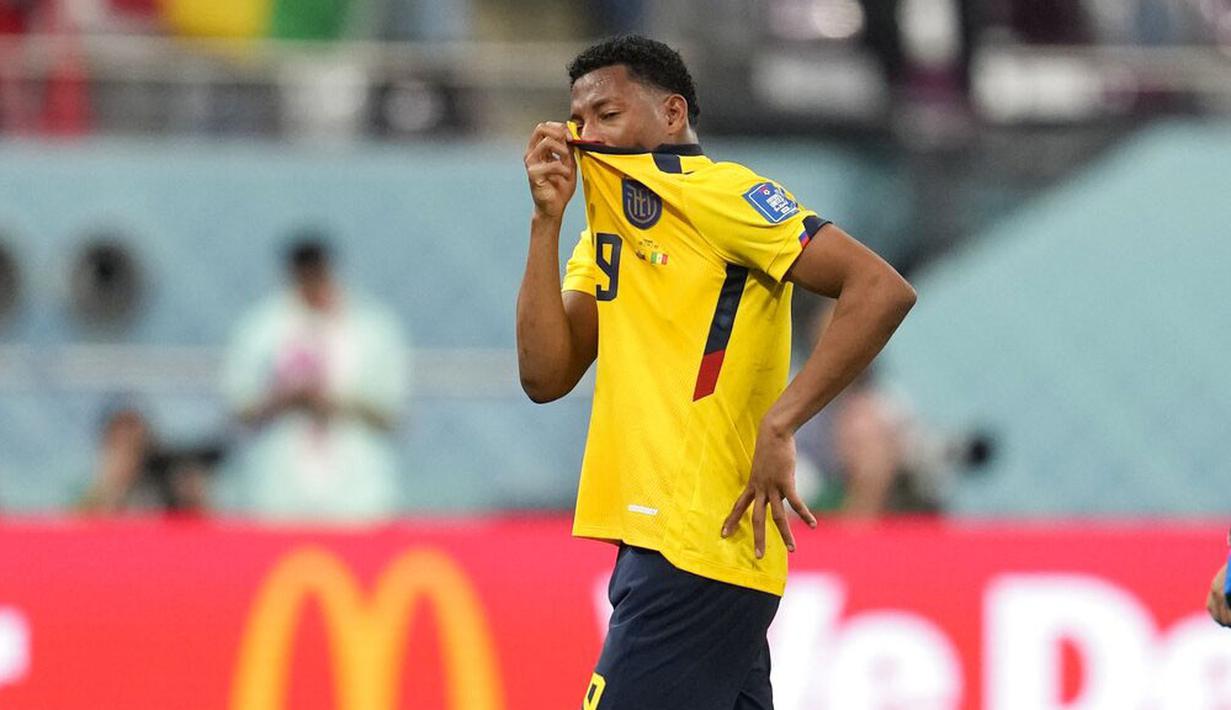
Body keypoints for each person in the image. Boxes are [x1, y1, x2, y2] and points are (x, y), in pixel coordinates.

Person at [517, 35, 916, 709]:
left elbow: (878, 288)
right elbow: (544, 376)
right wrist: (544, 224)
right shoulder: (603, 232)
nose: (587, 137)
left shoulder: (722, 195)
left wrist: (782, 421)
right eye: (578, 121)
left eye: (607, 115)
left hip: (696, 543)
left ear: (671, 116)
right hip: (663, 545)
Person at [222, 234, 409, 522]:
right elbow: (237, 408)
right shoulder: (262, 328)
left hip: (357, 496)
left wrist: (336, 401)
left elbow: (393, 412)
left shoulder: (372, 327)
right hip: (278, 495)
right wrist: (283, 400)